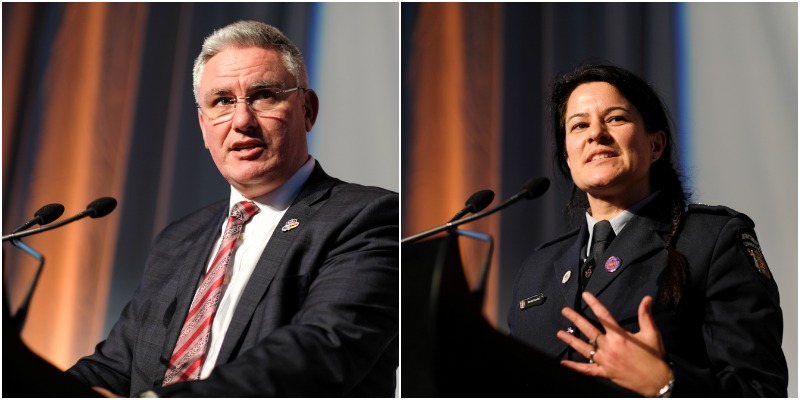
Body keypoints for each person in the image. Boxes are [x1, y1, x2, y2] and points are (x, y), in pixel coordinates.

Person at [66, 20, 398, 397]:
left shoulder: (367, 217)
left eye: (264, 95)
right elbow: (113, 366)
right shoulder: (178, 239)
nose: (241, 121)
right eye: (222, 101)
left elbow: (320, 351)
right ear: (203, 126)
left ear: (307, 110)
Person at [507, 64, 787, 397]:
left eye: (615, 119)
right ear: (568, 157)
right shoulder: (536, 271)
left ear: (656, 146)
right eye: (579, 125)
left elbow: (761, 390)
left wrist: (663, 383)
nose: (596, 134)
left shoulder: (712, 241)